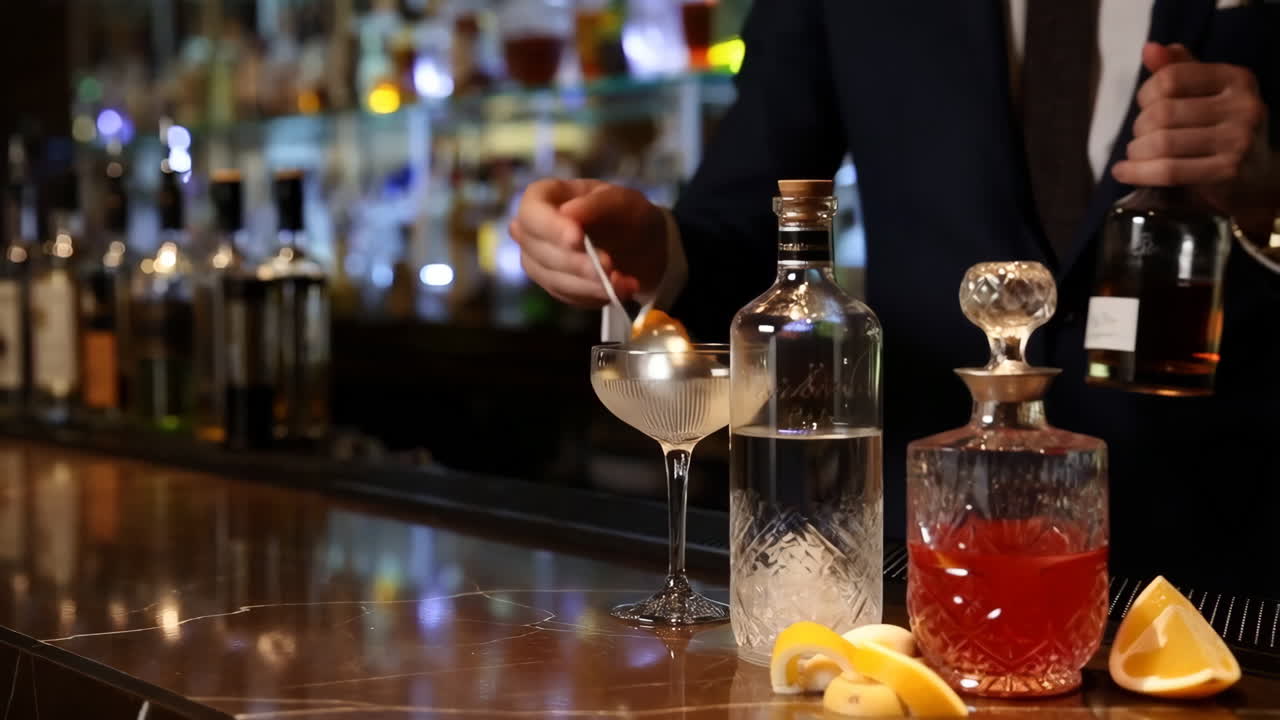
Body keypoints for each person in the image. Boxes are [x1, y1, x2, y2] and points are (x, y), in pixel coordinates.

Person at [512, 1, 1279, 592]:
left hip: (1231, 556)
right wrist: (650, 250)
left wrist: (1270, 194)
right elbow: (747, 223)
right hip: (930, 554)